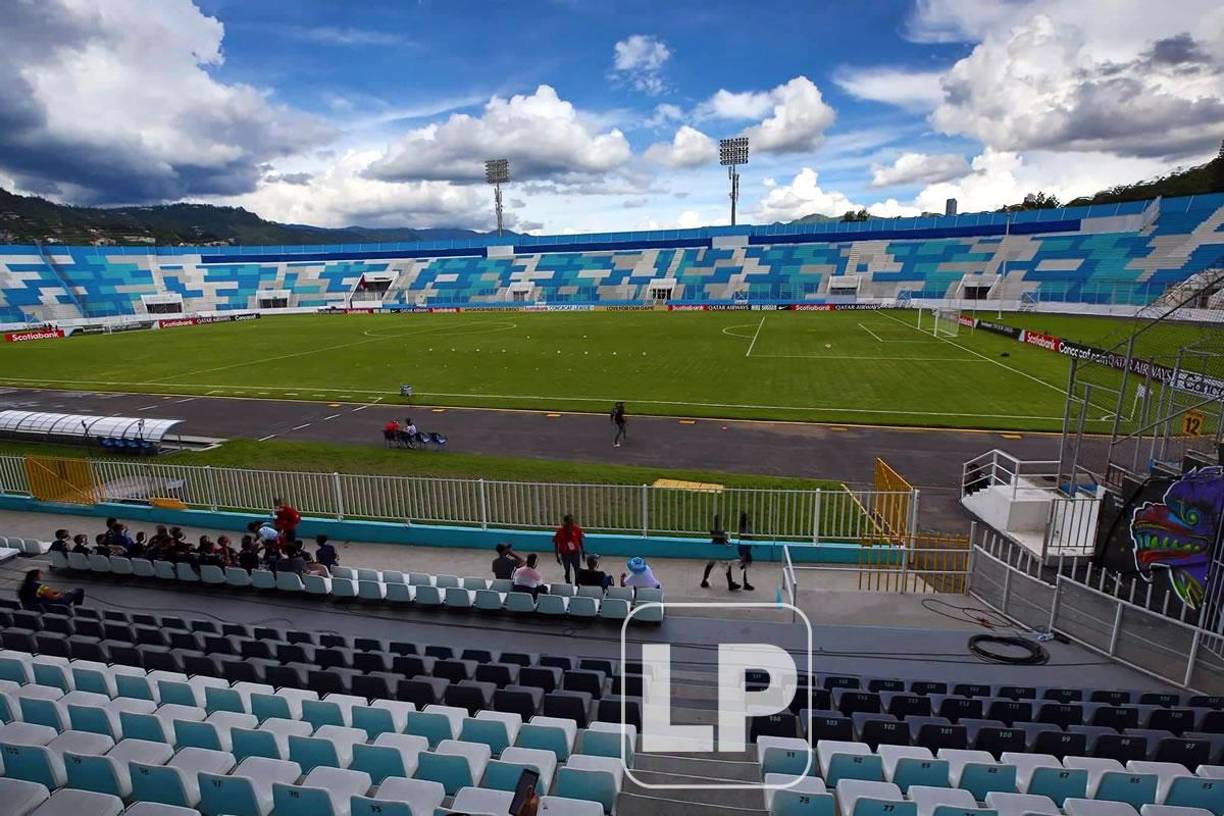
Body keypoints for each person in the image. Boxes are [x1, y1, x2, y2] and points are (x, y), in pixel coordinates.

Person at [701, 512, 754, 591]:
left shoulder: (716, 540)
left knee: (713, 564)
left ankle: (704, 581)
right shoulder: (742, 530)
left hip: (717, 550)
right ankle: (731, 584)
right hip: (721, 552)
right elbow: (726, 542)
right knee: (727, 565)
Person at [18, 569, 85, 610]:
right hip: (55, 604)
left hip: (37, 605)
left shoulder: (23, 587)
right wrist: (60, 594)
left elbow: (41, 594)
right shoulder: (41, 587)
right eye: (40, 574)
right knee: (79, 591)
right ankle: (77, 608)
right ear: (35, 576)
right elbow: (54, 598)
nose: (42, 575)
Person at [552, 514, 584, 584]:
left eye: (572, 521)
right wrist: (557, 556)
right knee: (567, 570)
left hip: (575, 553)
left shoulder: (577, 529)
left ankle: (577, 584)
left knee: (577, 570)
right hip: (565, 555)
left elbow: (580, 540)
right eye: (570, 521)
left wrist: (583, 552)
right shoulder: (560, 531)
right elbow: (556, 544)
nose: (571, 523)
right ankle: (568, 583)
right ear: (565, 522)